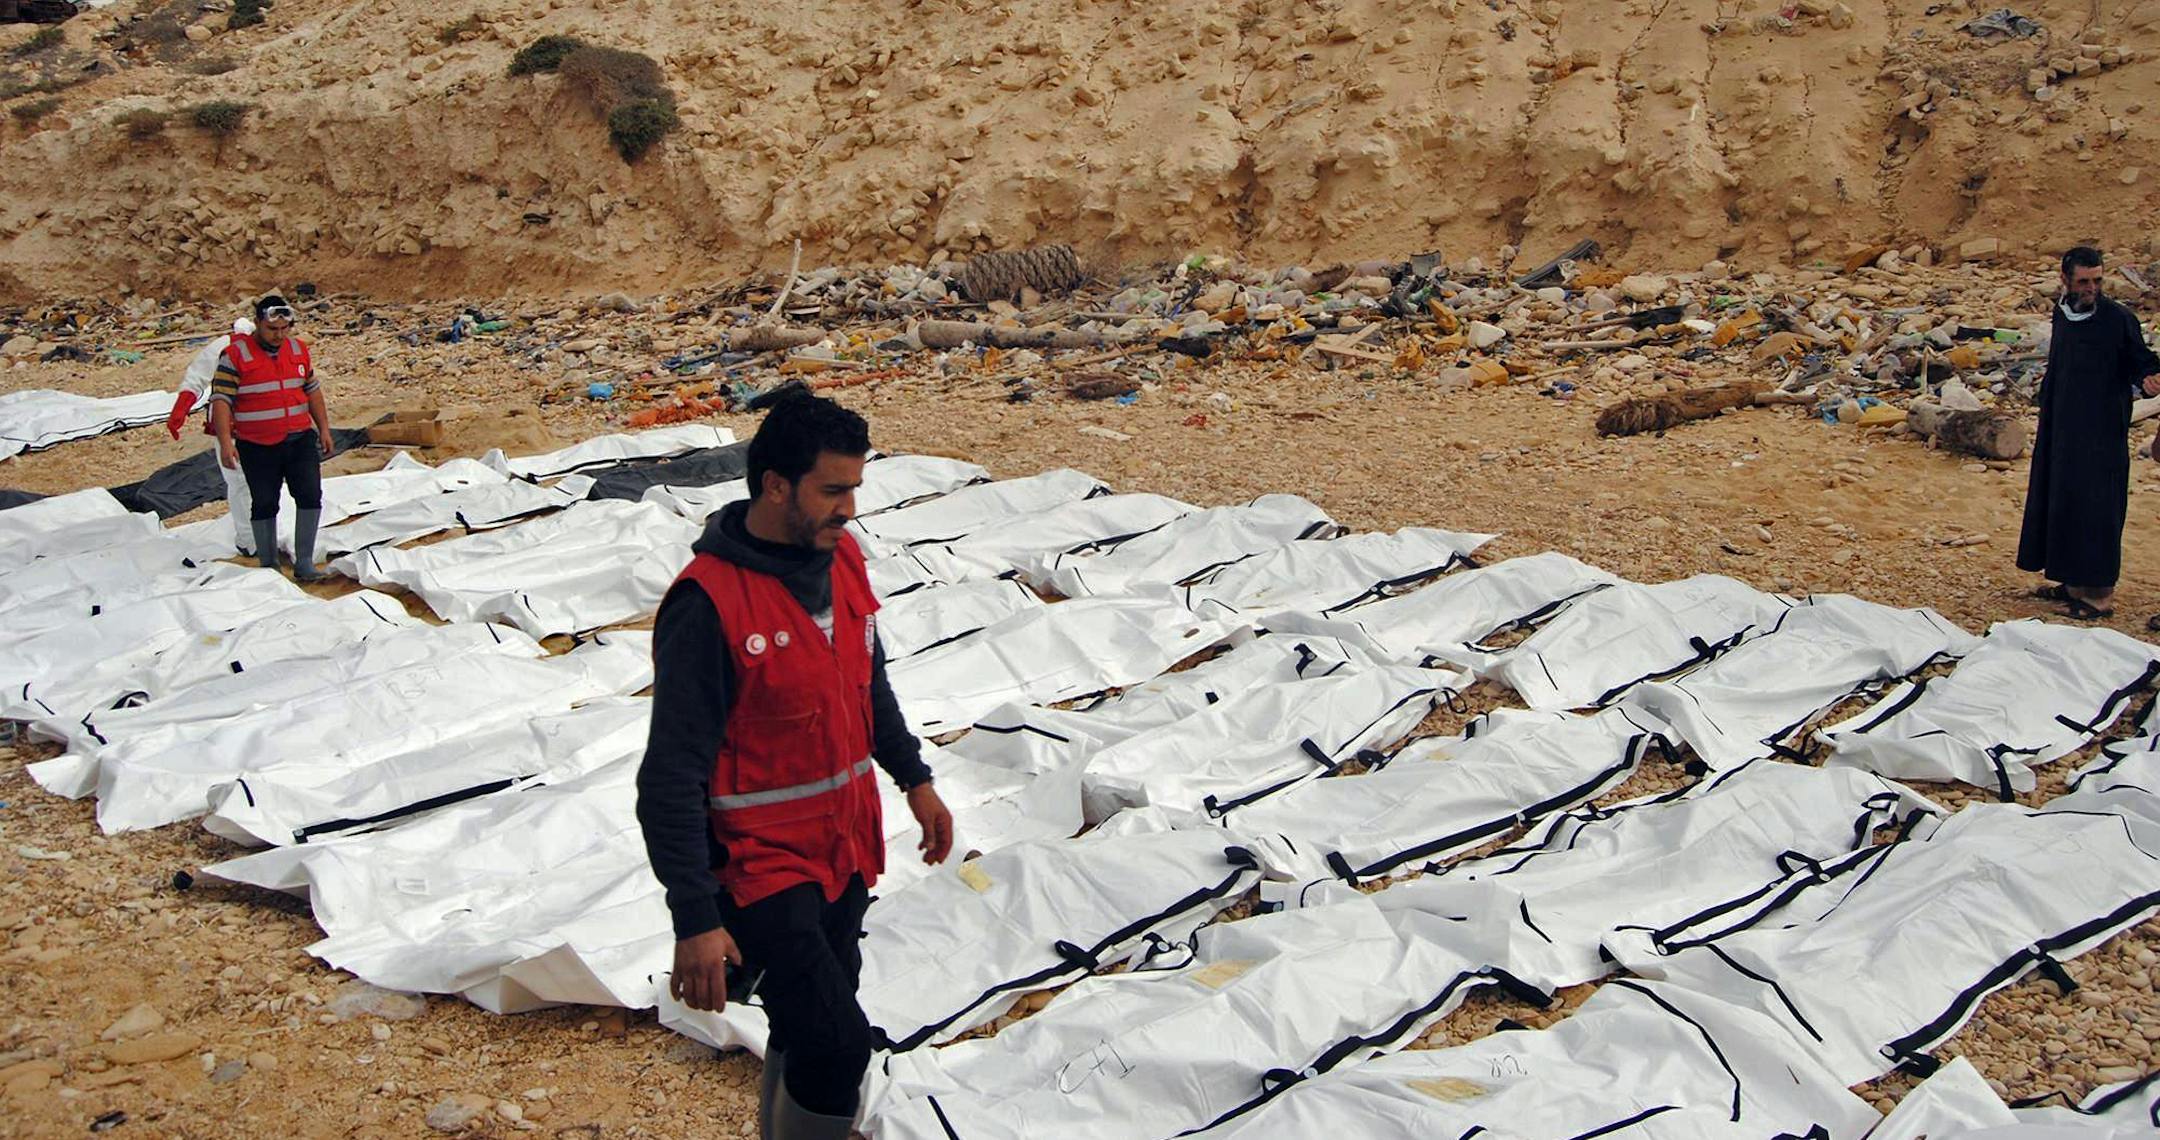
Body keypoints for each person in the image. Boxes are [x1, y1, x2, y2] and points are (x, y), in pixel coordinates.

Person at [637, 394, 954, 1140]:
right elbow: (669, 776)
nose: (850, 509)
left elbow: (866, 683)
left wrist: (916, 780)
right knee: (839, 1041)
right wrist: (695, 919)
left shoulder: (842, 558)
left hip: (843, 851)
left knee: (812, 1020)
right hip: (759, 867)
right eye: (833, 491)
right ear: (776, 486)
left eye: (855, 489)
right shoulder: (708, 606)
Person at [2017, 246, 2160, 620]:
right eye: (2083, 281)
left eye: (2097, 281)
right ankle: (2072, 581)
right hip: (2062, 428)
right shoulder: (2064, 312)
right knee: (2063, 500)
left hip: (2100, 432)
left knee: (2096, 508)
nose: (2091, 288)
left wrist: (2148, 380)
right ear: (2065, 279)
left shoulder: (2117, 319)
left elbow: (2141, 363)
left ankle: (2098, 596)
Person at [209, 294, 333, 581]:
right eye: (272, 330)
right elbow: (222, 401)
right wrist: (226, 443)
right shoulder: (235, 356)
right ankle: (269, 567)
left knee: (310, 495)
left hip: (299, 438)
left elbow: (311, 390)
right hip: (257, 445)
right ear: (257, 324)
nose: (278, 336)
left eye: (284, 329)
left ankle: (304, 563)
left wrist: (324, 428)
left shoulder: (299, 350)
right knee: (264, 502)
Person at [166, 316, 257, 556]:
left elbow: (196, 377)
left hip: (253, 425)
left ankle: (256, 538)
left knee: (249, 484)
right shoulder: (229, 347)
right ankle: (252, 540)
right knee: (244, 483)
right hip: (240, 426)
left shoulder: (234, 346)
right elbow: (198, 376)